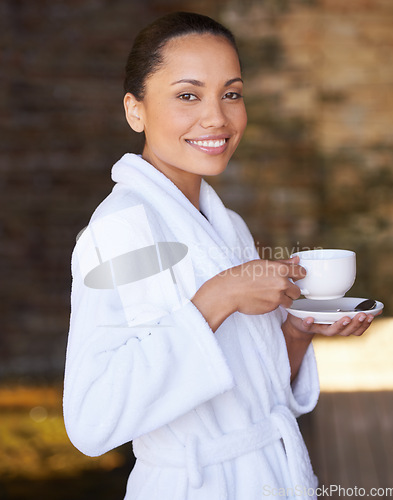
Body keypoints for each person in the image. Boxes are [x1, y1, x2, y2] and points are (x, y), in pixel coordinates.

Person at [63, 12, 375, 499]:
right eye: (188, 95)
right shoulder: (121, 232)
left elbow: (255, 390)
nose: (217, 117)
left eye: (231, 93)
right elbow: (91, 419)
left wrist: (297, 330)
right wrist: (218, 297)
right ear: (135, 110)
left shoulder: (225, 223)